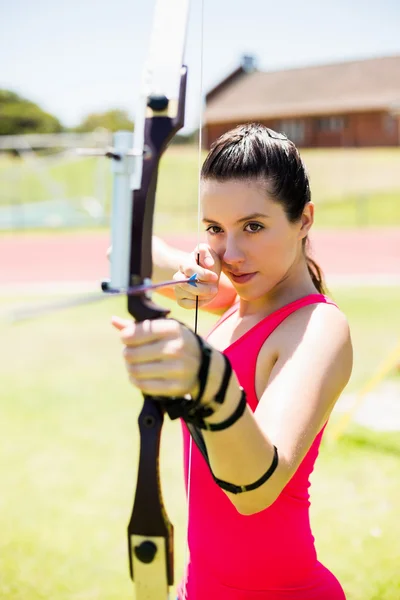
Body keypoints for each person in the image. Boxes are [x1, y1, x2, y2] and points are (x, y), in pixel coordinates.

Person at [112, 123, 353, 599]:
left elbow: (256, 489)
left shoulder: (318, 327)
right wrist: (189, 265)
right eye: (216, 228)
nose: (234, 254)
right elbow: (125, 256)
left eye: (254, 226)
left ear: (304, 219)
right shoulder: (239, 294)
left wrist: (208, 381)